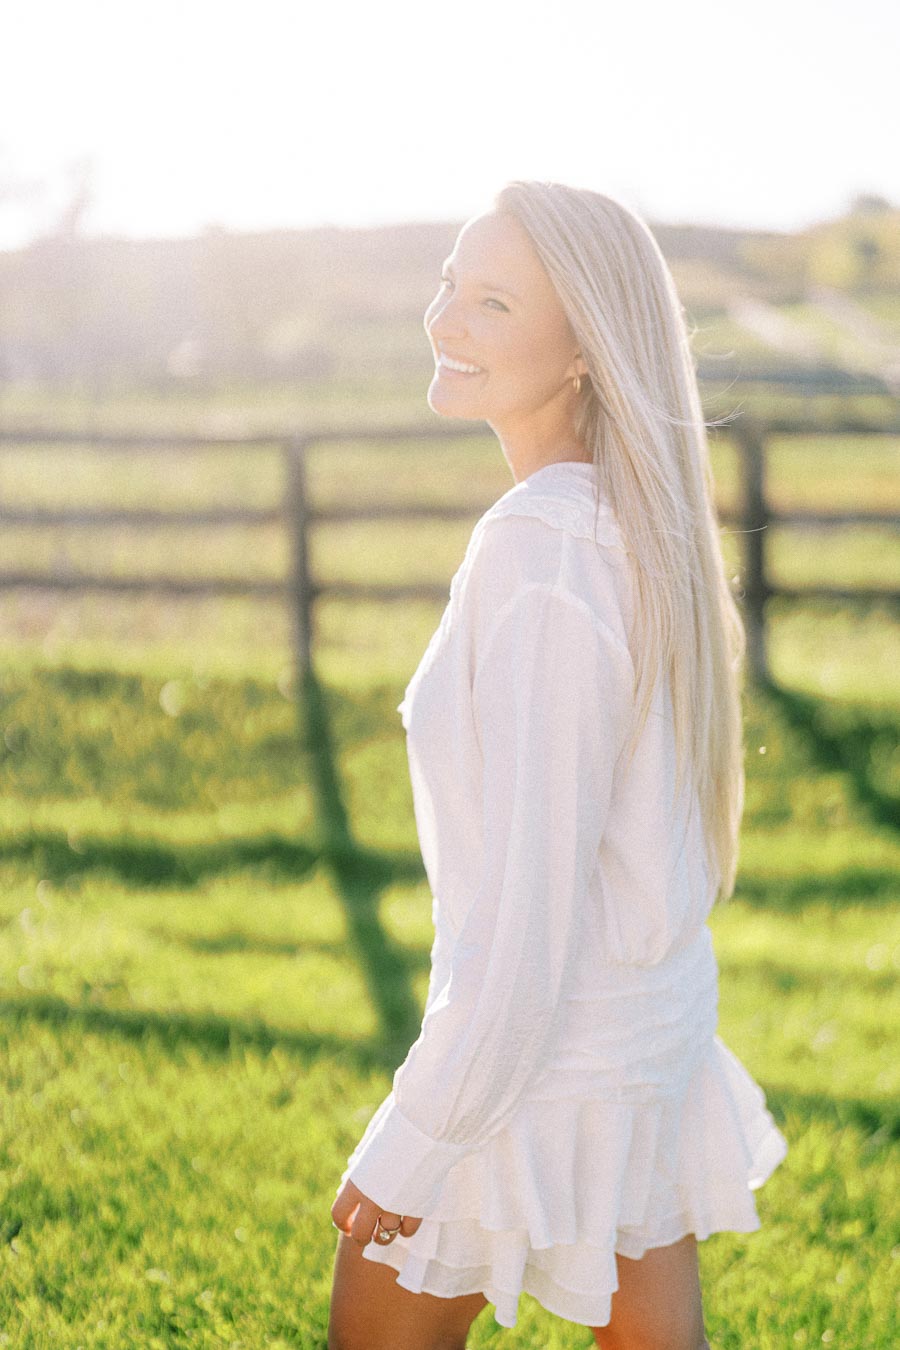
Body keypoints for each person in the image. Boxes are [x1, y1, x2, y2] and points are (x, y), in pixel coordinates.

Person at [328, 180, 788, 1349]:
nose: (444, 321)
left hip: (536, 1068)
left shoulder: (544, 553)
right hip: (642, 1050)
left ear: (582, 350)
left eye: (490, 302)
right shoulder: (627, 530)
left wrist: (419, 1136)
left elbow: (527, 921)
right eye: (448, 285)